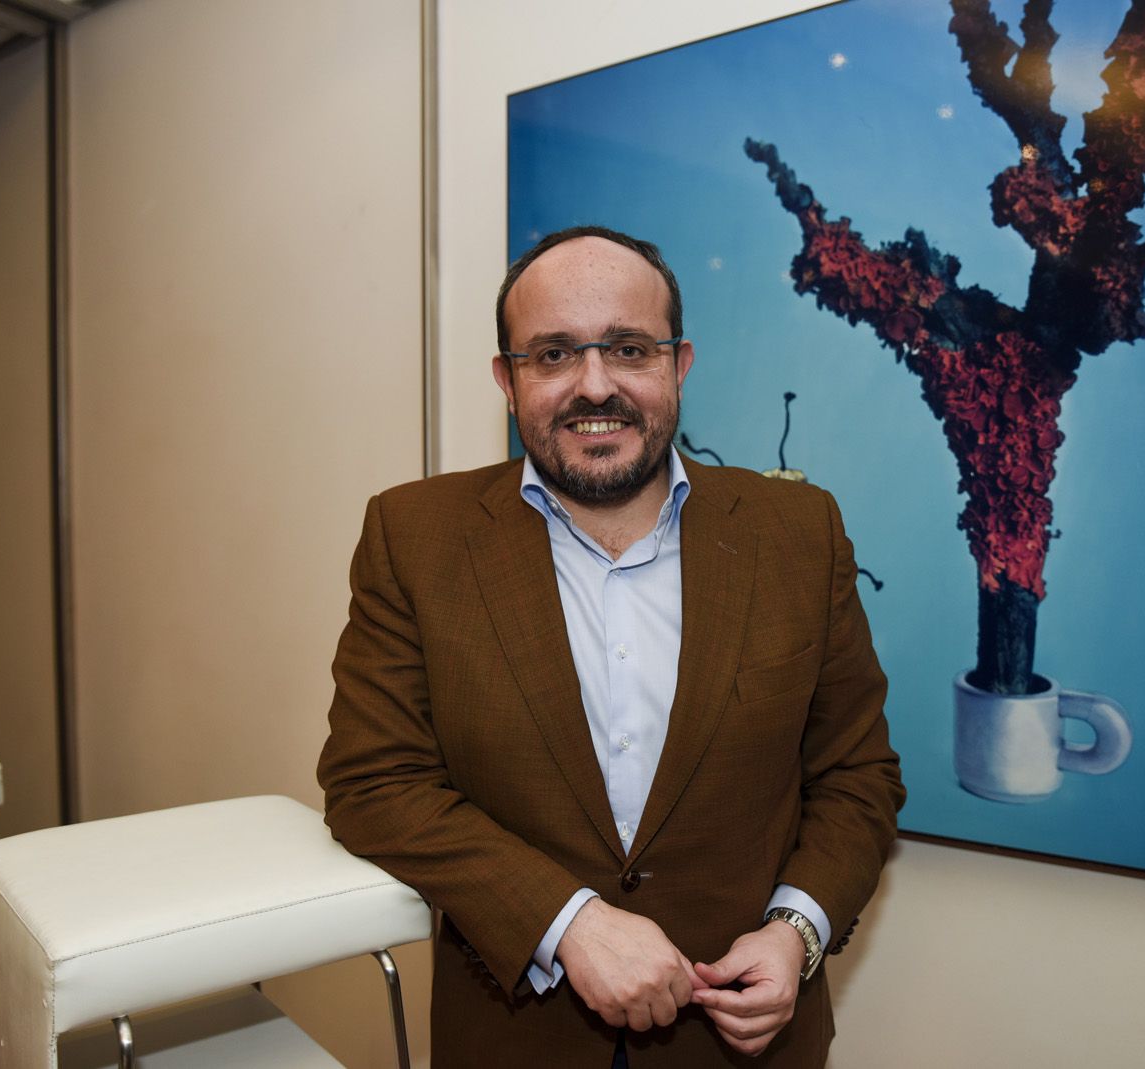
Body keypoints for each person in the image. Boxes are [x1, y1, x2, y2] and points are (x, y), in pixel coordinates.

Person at [318, 226, 905, 1068]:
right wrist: (570, 922)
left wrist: (797, 930)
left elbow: (858, 776)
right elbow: (374, 781)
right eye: (553, 354)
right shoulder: (413, 536)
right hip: (516, 1040)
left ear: (679, 363)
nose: (595, 385)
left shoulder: (799, 534)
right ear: (506, 379)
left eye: (629, 348)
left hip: (746, 1045)